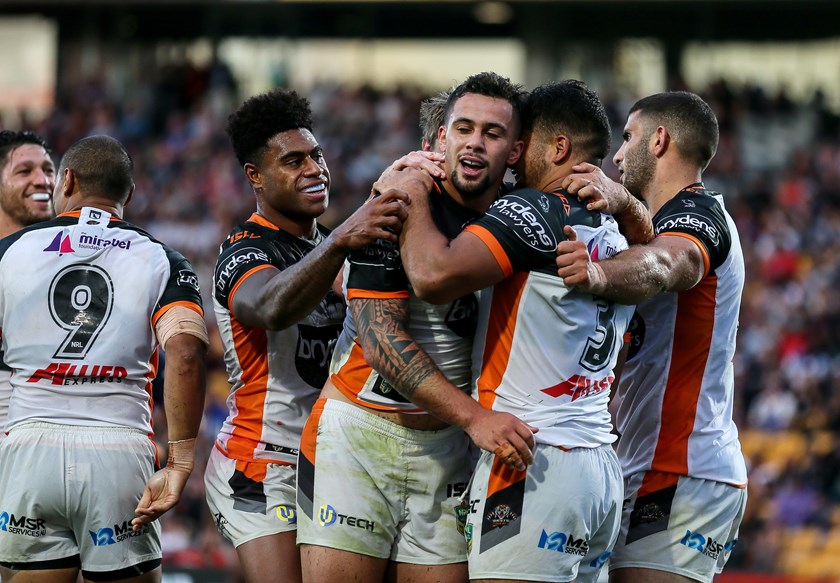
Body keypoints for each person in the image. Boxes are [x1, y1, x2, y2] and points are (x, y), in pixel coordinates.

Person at [296, 72, 538, 583]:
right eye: (464, 128)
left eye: (492, 134)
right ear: (441, 137)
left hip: (450, 449)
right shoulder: (396, 201)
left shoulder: (523, 215)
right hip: (359, 432)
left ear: (513, 152)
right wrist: (475, 418)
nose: (475, 142)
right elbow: (382, 342)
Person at [394, 80, 637, 583]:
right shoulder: (616, 230)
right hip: (598, 470)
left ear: (559, 148)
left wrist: (412, 191)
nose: (513, 156)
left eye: (520, 142)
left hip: (532, 459)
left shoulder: (535, 207)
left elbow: (432, 276)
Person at [204, 88, 411, 583]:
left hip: (333, 456)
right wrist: (342, 239)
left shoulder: (329, 244)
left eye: (316, 155)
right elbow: (269, 306)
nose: (314, 168)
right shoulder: (244, 247)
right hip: (262, 459)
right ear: (255, 176)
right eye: (293, 160)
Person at [555, 91, 747, 583]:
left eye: (627, 137)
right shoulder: (656, 224)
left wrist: (597, 275)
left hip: (682, 467)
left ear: (659, 140)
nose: (617, 156)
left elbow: (667, 264)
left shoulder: (699, 216)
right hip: (642, 463)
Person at [0, 134, 208, 583]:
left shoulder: (9, 252)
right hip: (117, 450)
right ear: (129, 194)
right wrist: (180, 463)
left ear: (67, 179)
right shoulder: (163, 259)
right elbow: (187, 351)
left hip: (27, 445)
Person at [0, 130, 56, 442]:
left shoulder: (70, 265)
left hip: (50, 441)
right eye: (25, 171)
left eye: (49, 170)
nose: (43, 180)